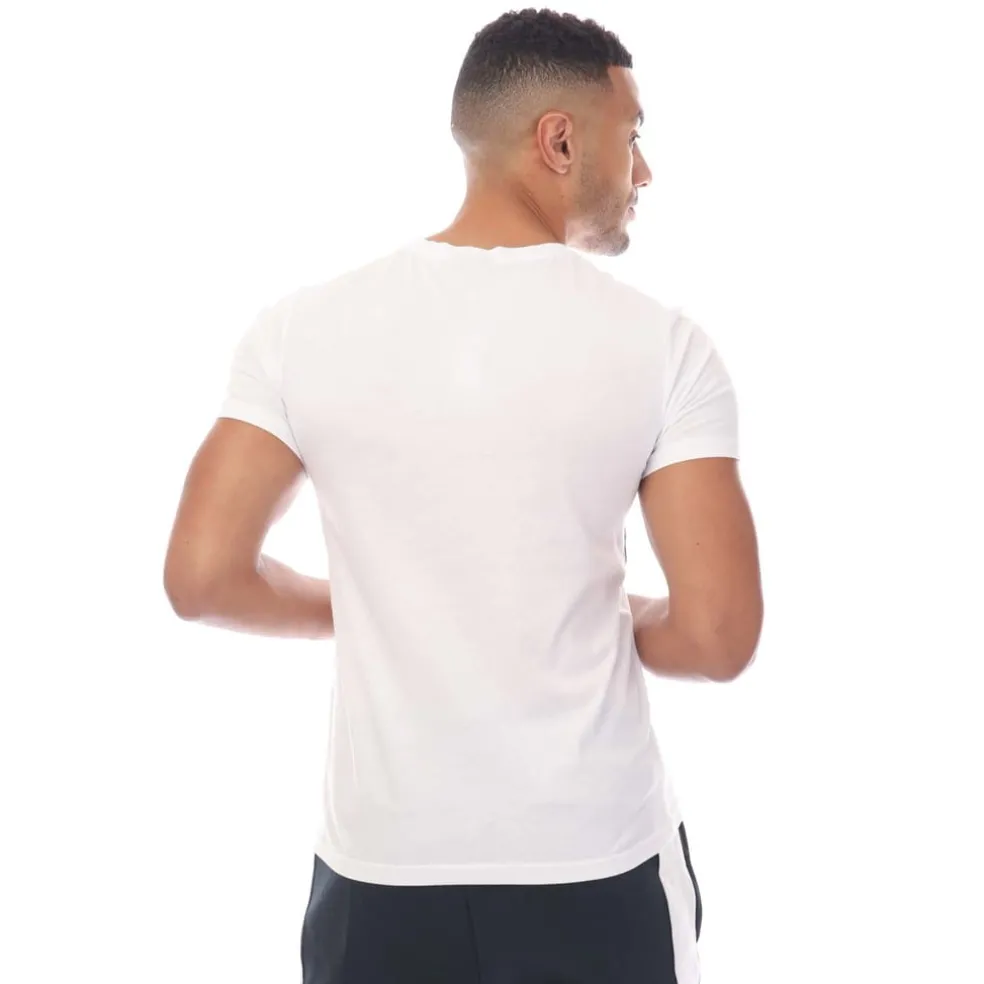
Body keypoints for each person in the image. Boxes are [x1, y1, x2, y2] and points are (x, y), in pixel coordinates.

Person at [163, 8, 763, 983]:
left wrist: (365, 607)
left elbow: (201, 577)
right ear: (559, 140)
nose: (645, 171)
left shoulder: (301, 331)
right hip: (591, 859)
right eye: (633, 136)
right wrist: (608, 615)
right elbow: (718, 635)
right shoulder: (664, 347)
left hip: (381, 872)